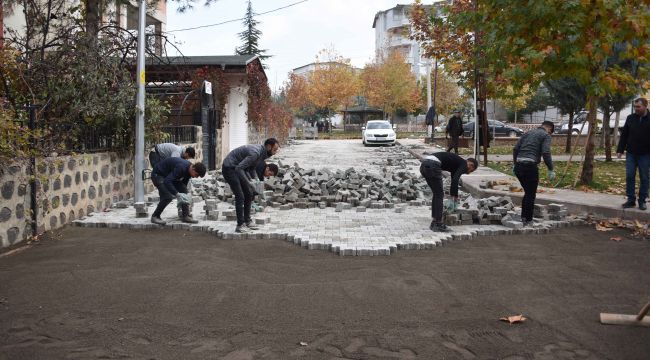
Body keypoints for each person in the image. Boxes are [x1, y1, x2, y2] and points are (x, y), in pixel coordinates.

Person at [222, 138, 280, 233]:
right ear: (269, 147)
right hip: (229, 168)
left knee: (249, 193)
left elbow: (251, 169)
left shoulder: (261, 154)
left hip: (237, 168)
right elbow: (239, 168)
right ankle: (240, 225)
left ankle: (247, 221)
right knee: (240, 195)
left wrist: (256, 181)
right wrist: (249, 183)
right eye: (274, 149)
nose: (275, 152)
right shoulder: (256, 153)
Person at [420, 152, 478, 232]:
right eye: (471, 170)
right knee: (439, 194)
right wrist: (455, 197)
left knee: (437, 193)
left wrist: (453, 196)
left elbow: (454, 180)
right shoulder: (464, 164)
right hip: (433, 165)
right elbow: (455, 179)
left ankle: (435, 221)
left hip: (424, 164)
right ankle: (438, 223)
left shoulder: (456, 164)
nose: (469, 172)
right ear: (471, 165)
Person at [513, 120, 555, 225]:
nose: (550, 134)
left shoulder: (528, 133)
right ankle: (528, 220)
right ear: (549, 129)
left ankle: (523, 217)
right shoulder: (546, 135)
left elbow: (515, 149)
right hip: (530, 167)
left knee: (527, 192)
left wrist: (515, 164)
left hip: (519, 167)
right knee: (531, 194)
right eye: (551, 132)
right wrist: (550, 168)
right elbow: (546, 152)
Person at [150, 157, 206, 226]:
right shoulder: (181, 167)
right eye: (197, 175)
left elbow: (183, 184)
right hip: (158, 175)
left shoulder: (189, 170)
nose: (196, 177)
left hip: (168, 176)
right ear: (193, 169)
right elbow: (167, 181)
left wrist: (185, 195)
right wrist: (177, 194)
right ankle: (155, 216)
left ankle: (185, 216)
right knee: (167, 196)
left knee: (184, 191)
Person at [617, 97, 650, 210]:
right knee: (630, 176)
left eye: (638, 107)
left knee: (644, 178)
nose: (636, 109)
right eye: (635, 106)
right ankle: (631, 200)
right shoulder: (630, 118)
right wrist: (620, 150)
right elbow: (624, 135)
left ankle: (642, 201)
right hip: (631, 153)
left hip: (645, 154)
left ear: (645, 106)